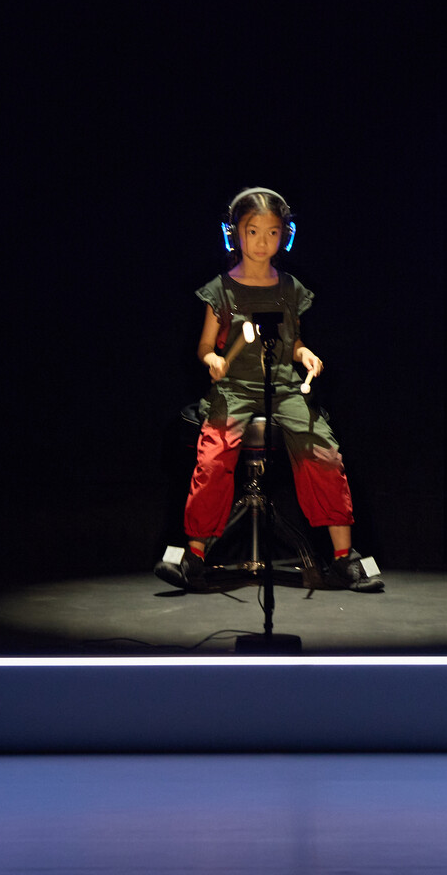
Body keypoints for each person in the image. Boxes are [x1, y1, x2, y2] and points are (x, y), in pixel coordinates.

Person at [155, 187, 384, 594]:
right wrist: (213, 361)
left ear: (286, 235)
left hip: (284, 387)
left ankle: (343, 558)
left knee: (323, 452)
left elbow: (292, 343)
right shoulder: (221, 289)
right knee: (212, 461)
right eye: (253, 231)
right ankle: (194, 556)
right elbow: (205, 347)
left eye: (273, 233)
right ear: (235, 234)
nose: (263, 242)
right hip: (236, 390)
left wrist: (305, 354)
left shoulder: (291, 288)